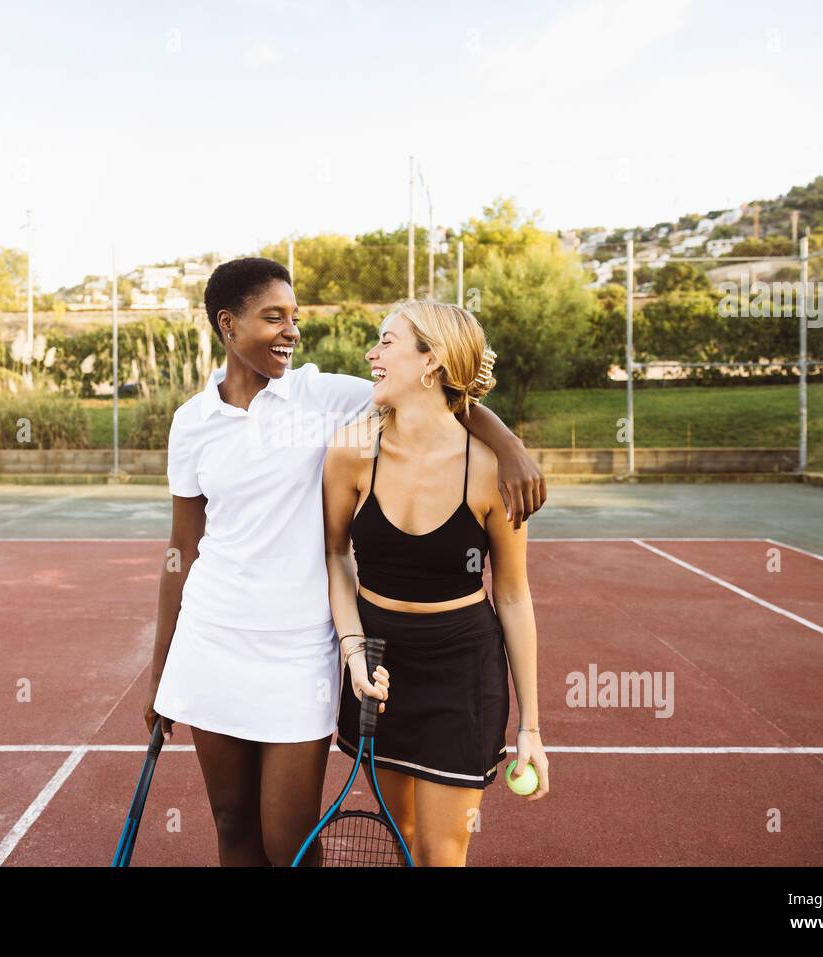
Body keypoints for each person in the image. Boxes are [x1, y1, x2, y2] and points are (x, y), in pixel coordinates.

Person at [144, 258, 546, 866]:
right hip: (212, 636)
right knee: (231, 824)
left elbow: (438, 396)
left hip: (302, 645)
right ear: (228, 325)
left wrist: (508, 443)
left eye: (295, 318)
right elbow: (181, 553)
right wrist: (160, 667)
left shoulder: (324, 396)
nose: (291, 331)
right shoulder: (191, 424)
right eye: (273, 317)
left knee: (291, 842)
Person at [323, 298, 549, 867]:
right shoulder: (350, 451)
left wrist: (532, 728)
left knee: (441, 851)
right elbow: (335, 557)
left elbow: (514, 596)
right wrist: (353, 652)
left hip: (461, 669)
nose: (371, 354)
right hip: (377, 662)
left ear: (432, 362)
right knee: (397, 832)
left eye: (387, 342)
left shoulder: (494, 470)